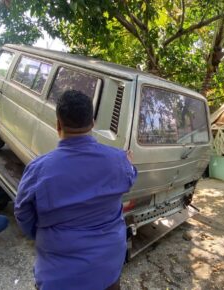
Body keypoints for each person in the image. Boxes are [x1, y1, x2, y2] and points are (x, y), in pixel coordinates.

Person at [15, 90, 137, 290]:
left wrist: (41, 234)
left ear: (58, 125)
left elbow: (23, 213)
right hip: (107, 269)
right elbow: (130, 177)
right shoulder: (119, 161)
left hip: (59, 276)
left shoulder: (38, 169)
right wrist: (127, 162)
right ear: (93, 123)